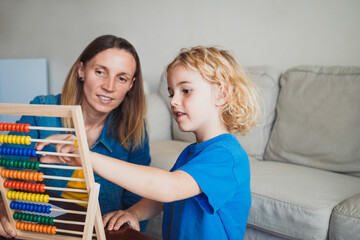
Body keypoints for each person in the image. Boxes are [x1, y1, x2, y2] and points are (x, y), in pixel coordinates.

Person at [36, 46, 260, 239]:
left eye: (186, 90)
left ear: (221, 94)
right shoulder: (193, 152)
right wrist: (134, 213)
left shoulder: (226, 156)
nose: (174, 101)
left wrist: (87, 156)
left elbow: (167, 188)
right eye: (172, 92)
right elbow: (163, 199)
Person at [0, 35, 151, 238]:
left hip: (101, 232)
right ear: (81, 70)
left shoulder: (134, 130)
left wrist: (131, 215)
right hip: (45, 229)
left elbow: (138, 198)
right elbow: (5, 166)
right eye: (100, 72)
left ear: (130, 85)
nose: (109, 86)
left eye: (121, 78)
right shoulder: (42, 112)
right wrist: (2, 205)